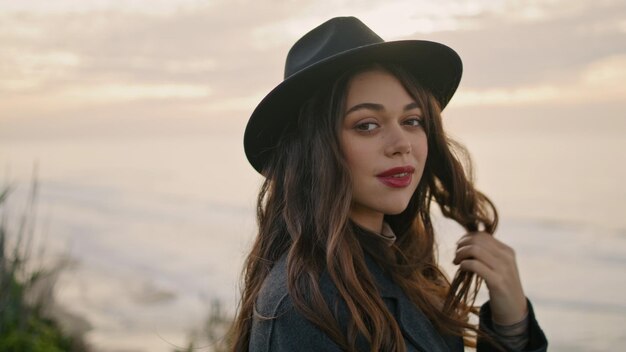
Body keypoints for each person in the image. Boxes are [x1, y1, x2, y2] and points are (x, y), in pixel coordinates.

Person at [230, 16, 548, 352]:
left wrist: (511, 321)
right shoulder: (304, 309)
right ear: (313, 150)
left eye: (412, 120)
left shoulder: (404, 269)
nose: (402, 143)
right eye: (367, 125)